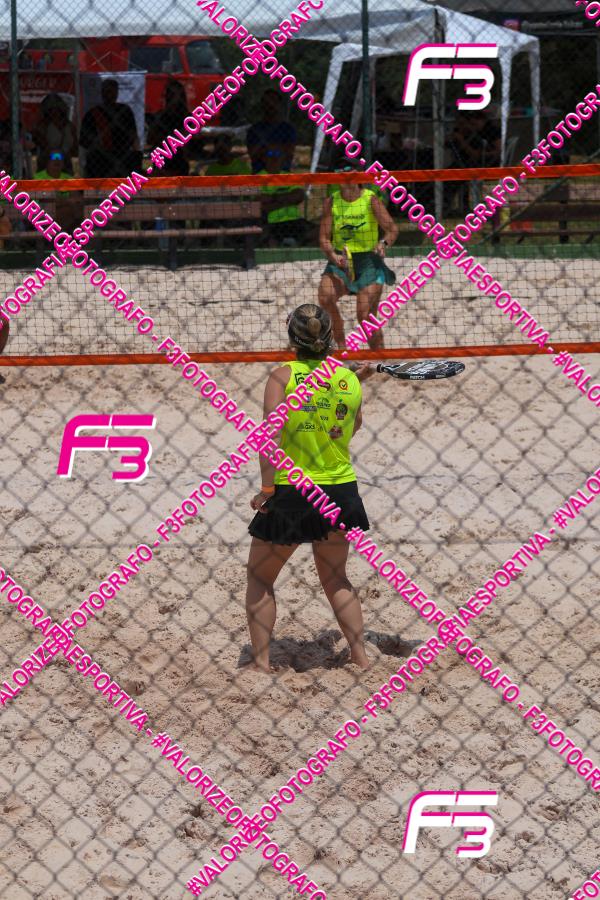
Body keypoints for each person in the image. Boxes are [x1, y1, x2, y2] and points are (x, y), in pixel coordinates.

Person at [246, 304, 371, 673]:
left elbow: (268, 437)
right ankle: (360, 658)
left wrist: (267, 489)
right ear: (330, 337)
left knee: (260, 577)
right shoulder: (349, 379)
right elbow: (353, 426)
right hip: (341, 488)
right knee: (336, 577)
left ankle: (261, 663)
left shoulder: (282, 377)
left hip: (295, 490)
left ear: (292, 339)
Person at [318, 161, 398, 350]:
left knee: (365, 317)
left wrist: (383, 243)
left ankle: (380, 358)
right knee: (325, 297)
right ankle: (342, 350)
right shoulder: (332, 202)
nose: (345, 176)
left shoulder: (370, 199)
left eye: (350, 172)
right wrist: (332, 255)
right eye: (341, 172)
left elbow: (392, 229)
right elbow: (324, 238)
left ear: (359, 175)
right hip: (342, 261)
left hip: (369, 262)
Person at [79, 79, 141, 178]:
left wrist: (136, 151)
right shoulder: (92, 114)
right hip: (101, 156)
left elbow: (133, 135)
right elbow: (84, 142)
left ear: (117, 93)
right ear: (102, 93)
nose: (110, 95)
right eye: (107, 91)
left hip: (122, 154)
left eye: (113, 92)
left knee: (136, 157)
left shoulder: (125, 110)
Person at [258, 148, 307, 247]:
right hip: (272, 223)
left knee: (319, 231)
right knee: (271, 239)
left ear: (283, 158)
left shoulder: (288, 176)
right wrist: (287, 200)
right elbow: (260, 203)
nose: (274, 157)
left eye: (277, 153)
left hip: (295, 220)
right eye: (270, 153)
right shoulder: (257, 177)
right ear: (264, 158)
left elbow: (299, 195)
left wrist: (274, 198)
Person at [147, 81, 192, 177]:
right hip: (162, 162)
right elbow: (150, 139)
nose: (174, 98)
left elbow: (187, 140)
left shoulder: (187, 117)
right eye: (171, 95)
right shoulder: (160, 116)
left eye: (177, 95)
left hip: (180, 162)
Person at [246, 89, 296, 174]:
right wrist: (275, 151)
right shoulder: (254, 130)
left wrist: (266, 151)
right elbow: (253, 153)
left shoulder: (288, 129)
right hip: (260, 174)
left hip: (282, 174)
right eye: (267, 102)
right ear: (262, 105)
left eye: (274, 101)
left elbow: (289, 152)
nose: (270, 104)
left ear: (280, 105)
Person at [33, 93, 77, 174]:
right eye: (51, 109)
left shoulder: (69, 126)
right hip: (48, 161)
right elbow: (41, 143)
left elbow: (75, 148)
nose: (54, 112)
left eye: (57, 109)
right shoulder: (43, 126)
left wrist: (66, 154)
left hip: (66, 162)